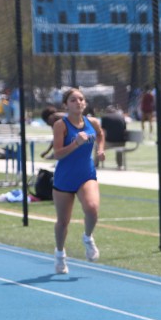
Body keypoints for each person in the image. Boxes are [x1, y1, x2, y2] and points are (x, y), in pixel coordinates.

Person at [51, 88, 106, 275]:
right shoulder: (61, 125)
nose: (78, 102)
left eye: (81, 99)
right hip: (65, 178)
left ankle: (88, 237)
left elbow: (100, 134)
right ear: (66, 104)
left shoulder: (92, 122)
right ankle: (60, 254)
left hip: (86, 174)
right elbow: (57, 154)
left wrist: (100, 150)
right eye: (73, 100)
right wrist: (75, 143)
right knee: (62, 222)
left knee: (92, 208)